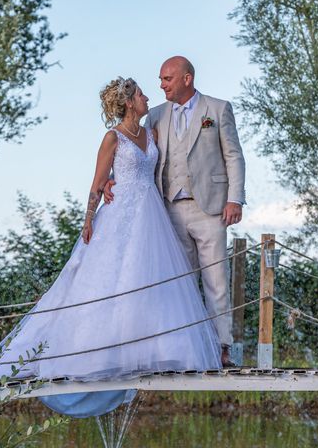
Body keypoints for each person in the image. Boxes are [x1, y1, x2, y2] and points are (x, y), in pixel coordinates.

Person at [0, 77, 222, 418]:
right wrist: (87, 220)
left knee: (147, 284)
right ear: (129, 102)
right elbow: (97, 184)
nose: (146, 98)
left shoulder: (150, 133)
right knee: (109, 280)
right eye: (141, 94)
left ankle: (146, 350)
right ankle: (88, 354)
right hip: (120, 214)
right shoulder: (112, 137)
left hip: (151, 214)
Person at [105, 57, 245, 367]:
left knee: (216, 281)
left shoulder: (218, 109)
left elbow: (234, 157)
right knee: (177, 283)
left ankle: (222, 346)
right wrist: (110, 181)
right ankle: (187, 347)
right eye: (160, 79)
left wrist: (235, 199)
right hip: (167, 209)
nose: (161, 85)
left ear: (187, 78)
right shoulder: (155, 115)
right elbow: (136, 153)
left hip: (211, 208)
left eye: (167, 78)